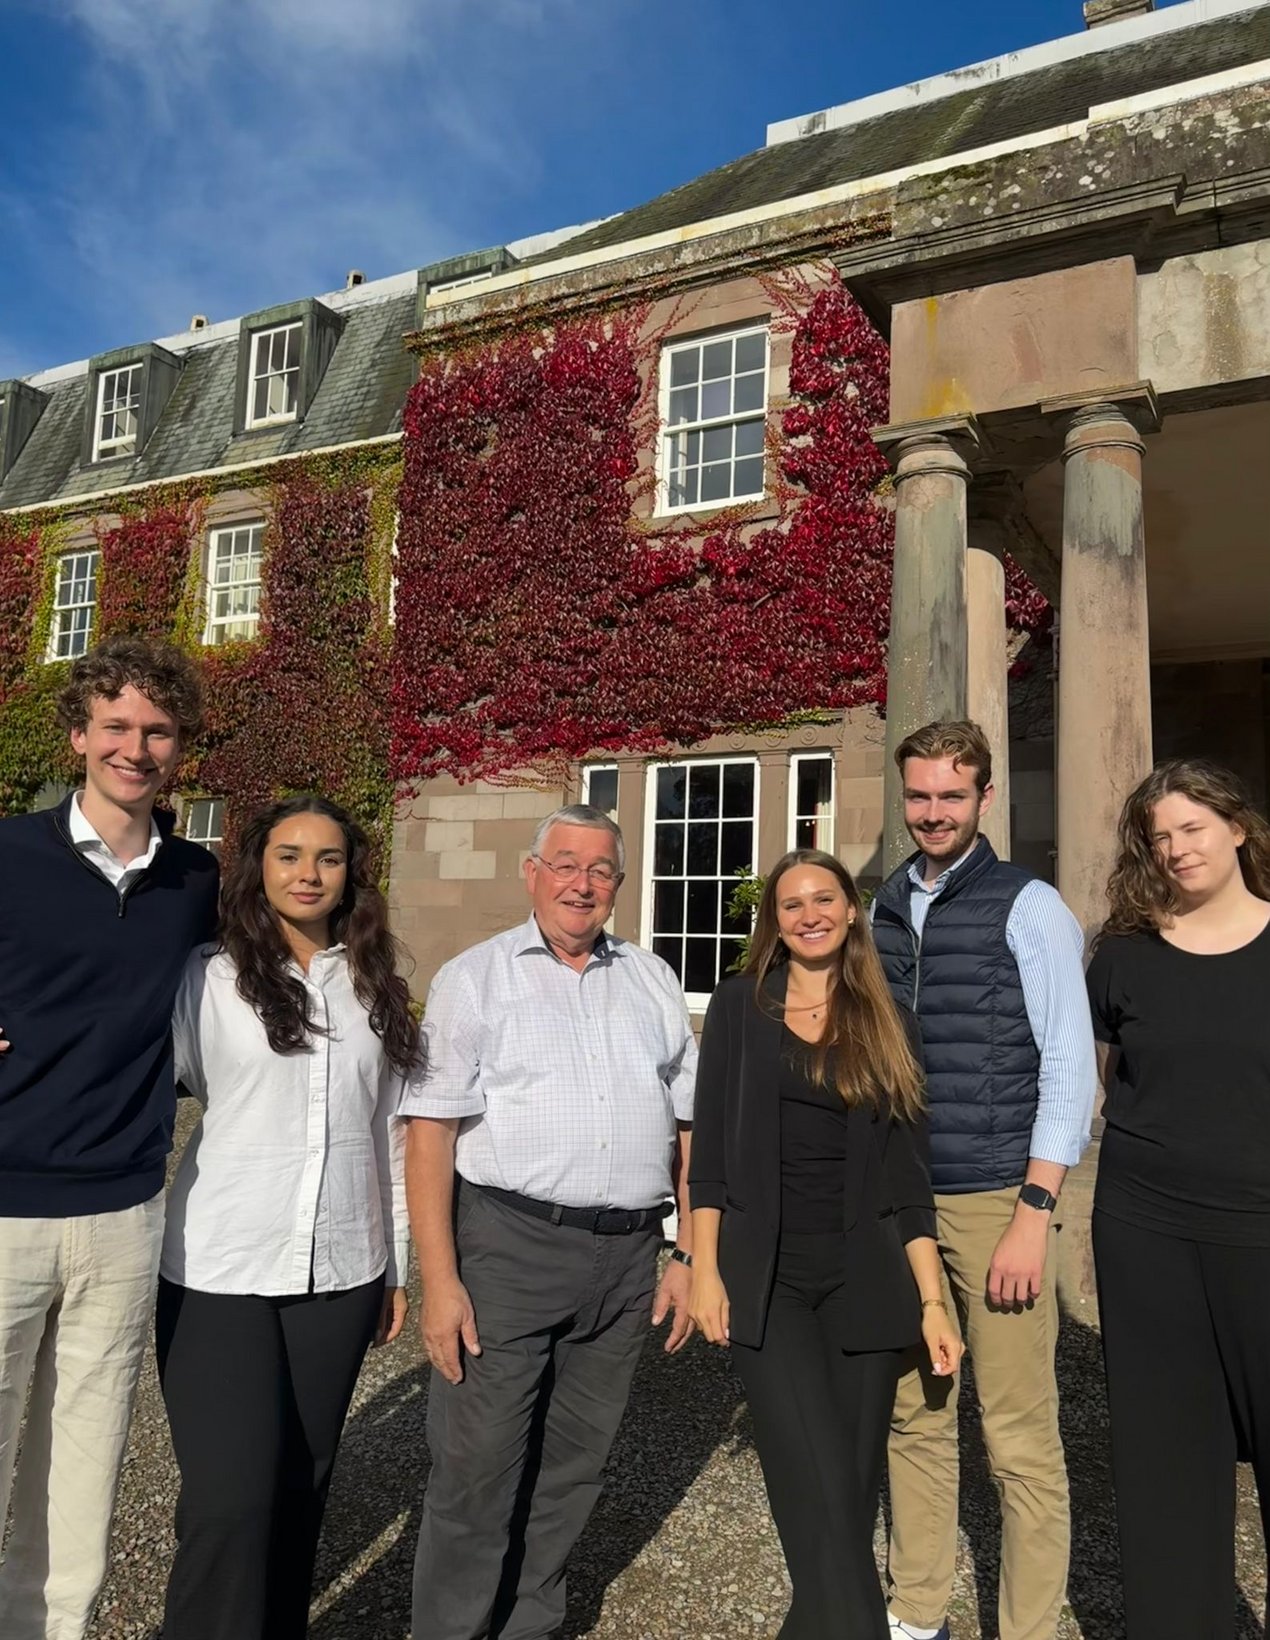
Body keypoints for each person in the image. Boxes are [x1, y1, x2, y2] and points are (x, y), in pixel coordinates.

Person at [400, 803, 697, 1640]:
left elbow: (690, 1127)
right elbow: (429, 1133)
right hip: (509, 1249)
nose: (582, 883)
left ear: (619, 884)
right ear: (531, 873)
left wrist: (686, 1250)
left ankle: (529, 1625)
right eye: (565, 864)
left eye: (601, 869)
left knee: (573, 1467)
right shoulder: (475, 978)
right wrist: (440, 1281)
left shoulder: (652, 980)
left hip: (628, 1259)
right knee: (476, 1472)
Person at [156, 795, 421, 1640]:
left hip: (342, 1268)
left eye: (328, 858)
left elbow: (391, 1134)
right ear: (258, 867)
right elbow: (142, 1078)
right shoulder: (207, 976)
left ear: (351, 875)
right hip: (220, 1265)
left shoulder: (375, 987)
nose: (309, 874)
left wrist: (396, 1266)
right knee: (228, 1500)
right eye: (289, 855)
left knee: (302, 1487)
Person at [0, 636, 218, 1640]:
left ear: (179, 746)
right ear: (80, 736)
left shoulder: (196, 879)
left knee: (83, 1470)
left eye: (157, 730)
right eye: (117, 725)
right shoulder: (10, 853)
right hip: (6, 1206)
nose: (136, 747)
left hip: (128, 1209)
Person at [688, 848, 961, 1640]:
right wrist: (703, 1269)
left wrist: (933, 1303)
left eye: (824, 899)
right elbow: (709, 1157)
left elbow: (908, 1179)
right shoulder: (739, 1007)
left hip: (867, 1282)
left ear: (850, 911)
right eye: (792, 904)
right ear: (775, 923)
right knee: (806, 1477)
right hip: (767, 1279)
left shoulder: (890, 1020)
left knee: (843, 1498)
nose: (809, 915)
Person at [870, 720, 1096, 1640]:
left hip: (998, 1198)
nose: (934, 812)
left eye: (952, 796)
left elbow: (1070, 1067)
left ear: (984, 799)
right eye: (920, 795)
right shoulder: (884, 905)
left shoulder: (1029, 906)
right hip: (904, 1200)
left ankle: (1028, 1628)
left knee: (1018, 1436)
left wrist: (1033, 1213)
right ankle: (917, 1611)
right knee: (917, 1416)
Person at [1087, 758, 1270, 1638]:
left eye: (1192, 828)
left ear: (1237, 828)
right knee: (1165, 1459)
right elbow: (1105, 1080)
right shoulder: (1124, 957)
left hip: (1264, 1230)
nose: (1176, 849)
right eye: (1159, 837)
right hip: (1145, 1228)